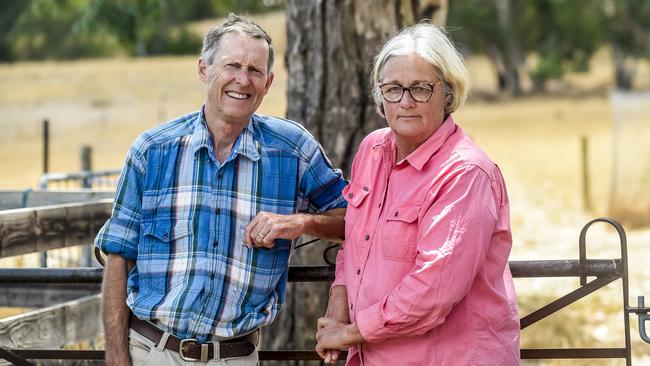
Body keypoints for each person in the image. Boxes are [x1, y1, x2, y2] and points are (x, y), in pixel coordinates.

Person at [96, 14, 347, 366]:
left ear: (269, 82)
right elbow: (118, 255)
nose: (242, 80)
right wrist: (117, 356)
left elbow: (356, 220)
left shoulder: (294, 151)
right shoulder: (151, 151)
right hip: (150, 351)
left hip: (235, 356)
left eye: (255, 70)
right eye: (232, 65)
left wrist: (301, 223)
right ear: (203, 69)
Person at [315, 21, 520, 365]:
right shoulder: (372, 150)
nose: (406, 102)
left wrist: (349, 333)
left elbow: (433, 291)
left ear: (448, 92)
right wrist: (338, 305)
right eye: (393, 88)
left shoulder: (465, 173)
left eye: (421, 89)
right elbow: (356, 242)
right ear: (380, 95)